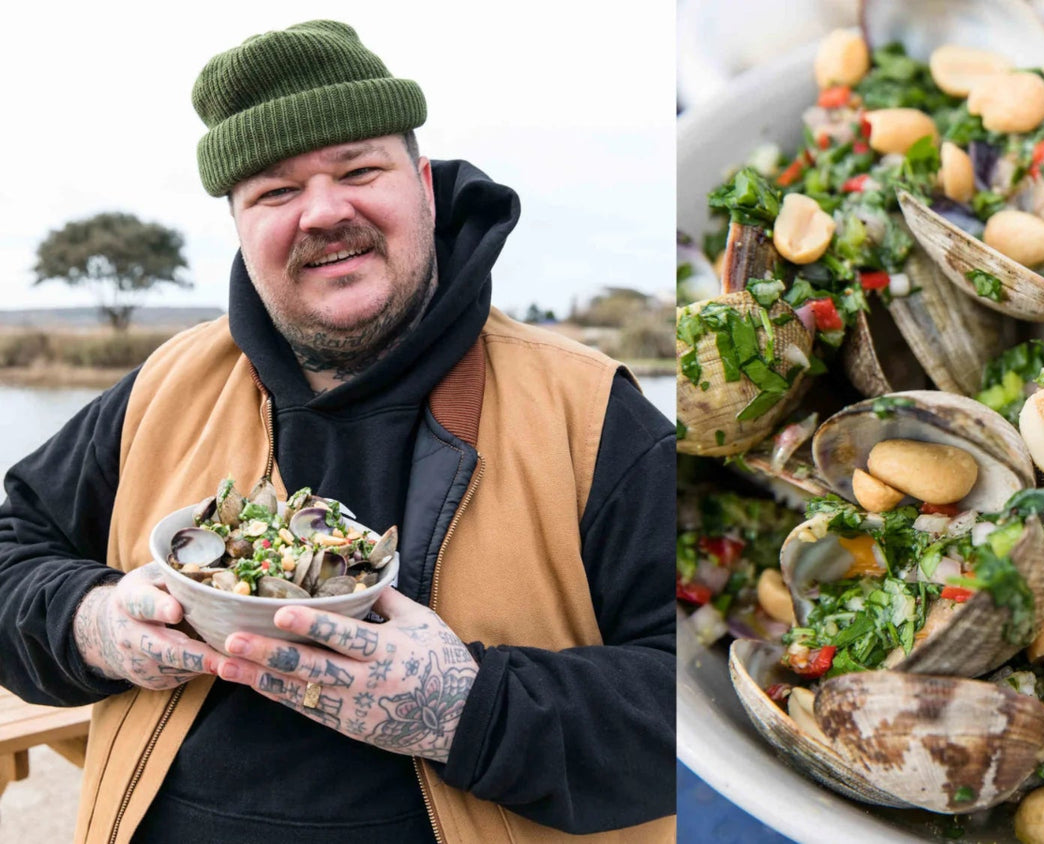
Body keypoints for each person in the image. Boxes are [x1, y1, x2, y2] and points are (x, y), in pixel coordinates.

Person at [0, 20, 675, 843]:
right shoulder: (162, 387)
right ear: (240, 225)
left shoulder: (591, 412)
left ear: (423, 187)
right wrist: (93, 624)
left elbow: (698, 698)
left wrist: (466, 710)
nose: (324, 211)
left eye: (359, 169)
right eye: (276, 192)